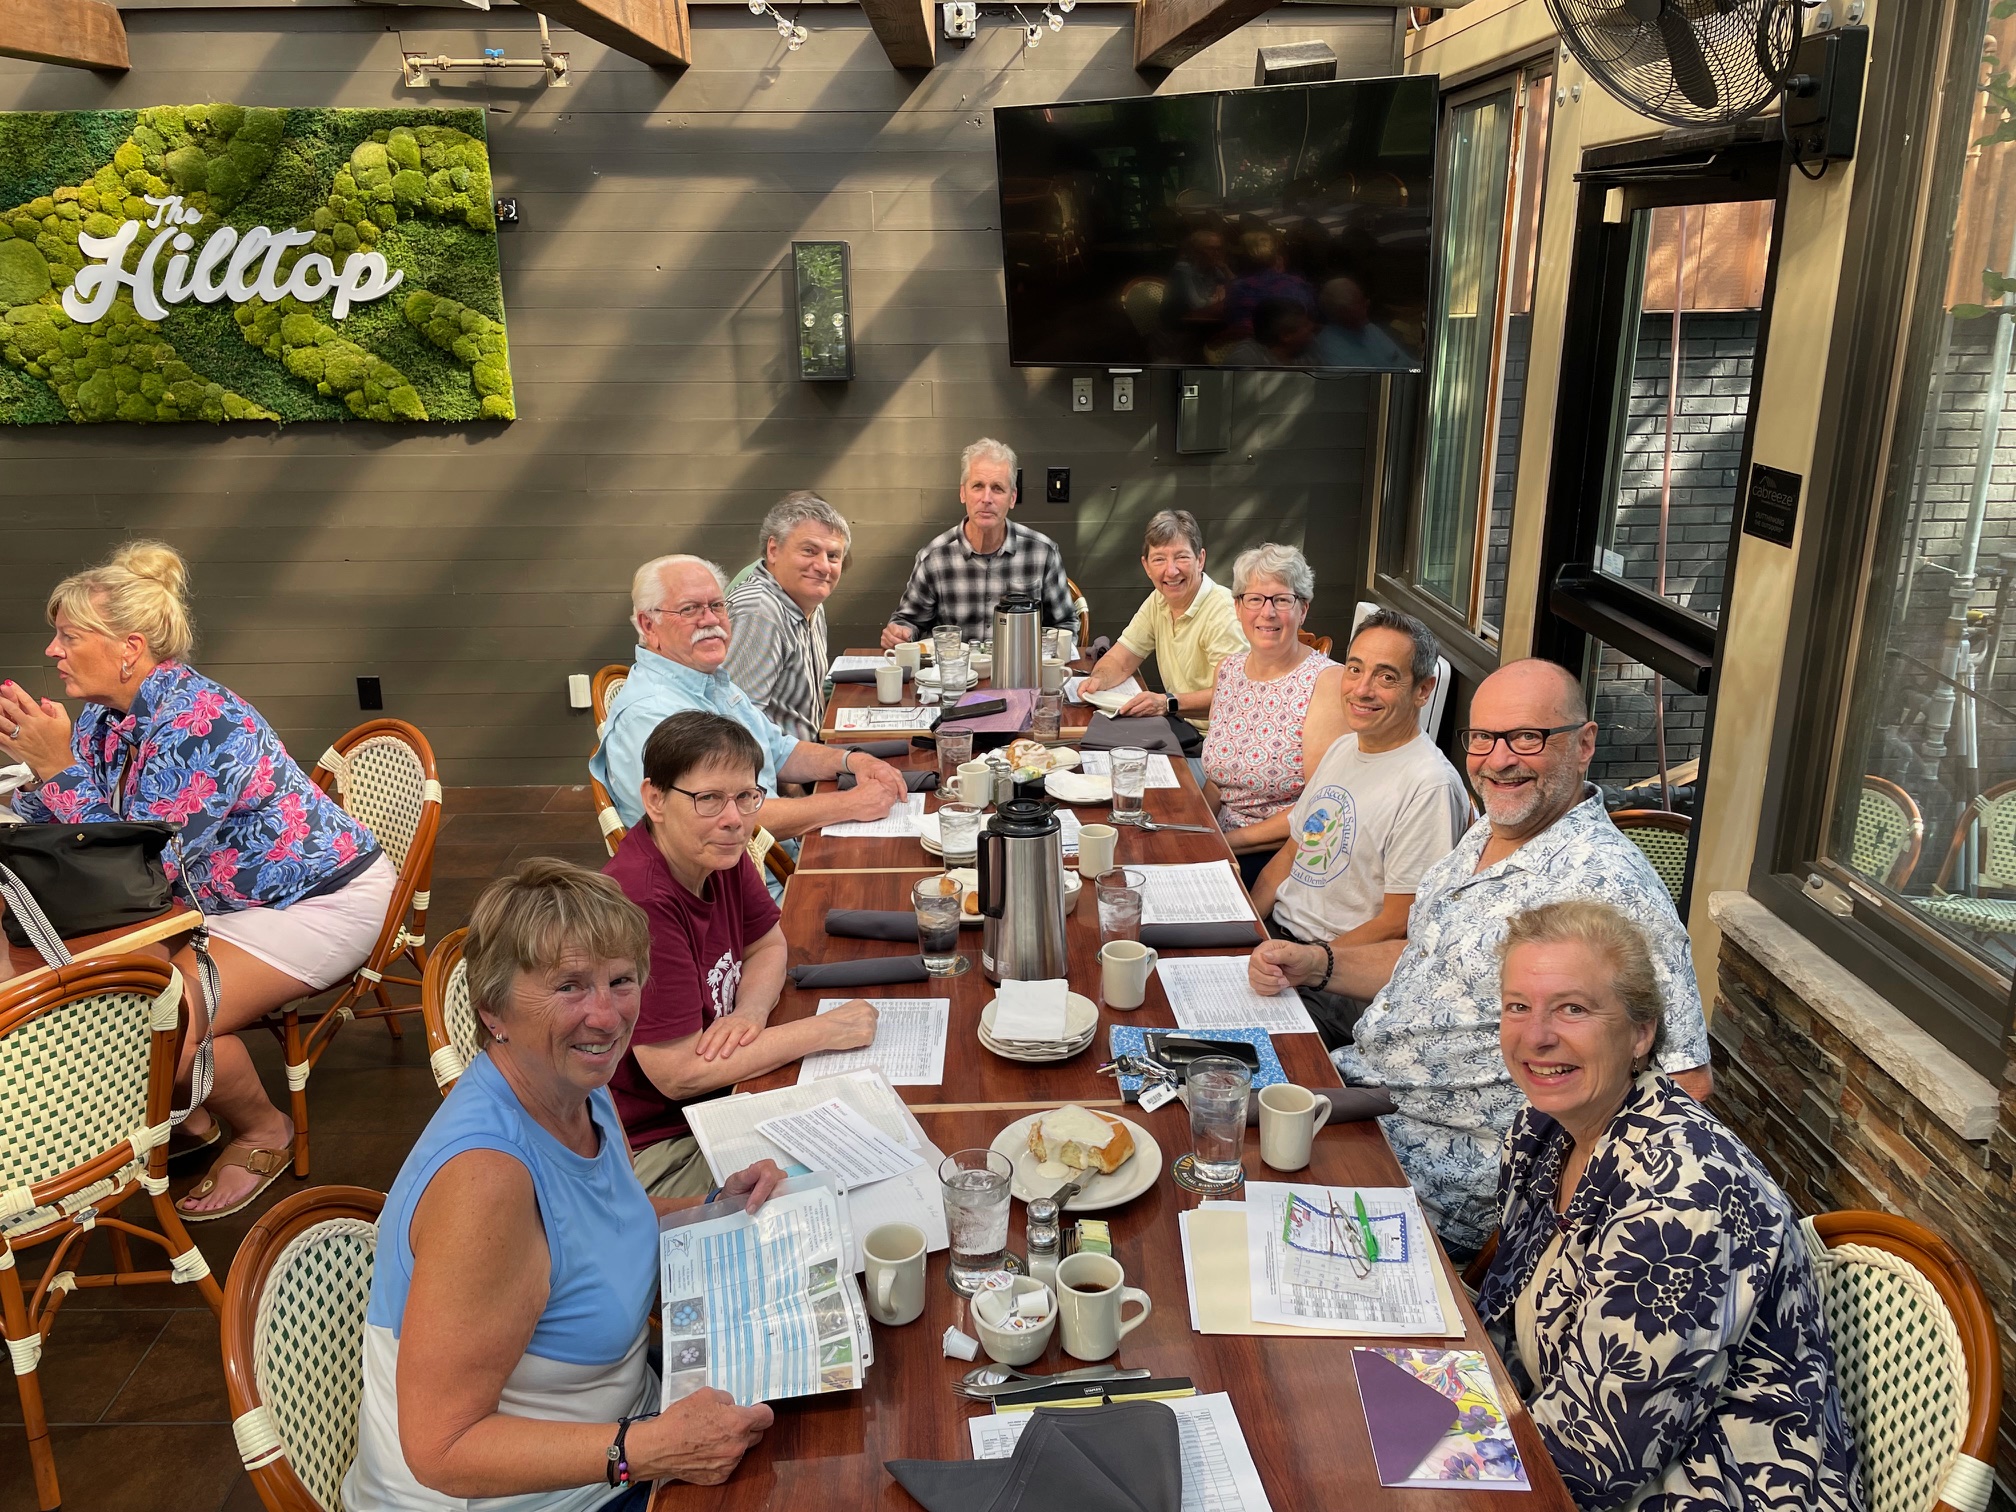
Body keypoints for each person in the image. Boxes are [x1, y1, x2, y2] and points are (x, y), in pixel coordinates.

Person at [345, 858, 784, 1511]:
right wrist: (656, 1449)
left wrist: (711, 1207)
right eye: (570, 987)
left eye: (621, 980)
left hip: (622, 1423)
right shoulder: (486, 1184)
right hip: (536, 1495)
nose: (606, 1017)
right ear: (493, 1007)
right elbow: (442, 1449)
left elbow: (592, 1224)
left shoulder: (577, 1084)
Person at [1255, 657, 1713, 1257]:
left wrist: (1549, 1223)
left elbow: (1687, 1083)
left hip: (1431, 1175)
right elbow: (1432, 961)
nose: (1499, 760)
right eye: (1483, 738)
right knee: (1186, 1098)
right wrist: (1318, 964)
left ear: (1583, 745)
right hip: (1356, 1088)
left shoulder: (1608, 887)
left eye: (1527, 737)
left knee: (1225, 1205)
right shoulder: (1493, 829)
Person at [0, 541, 394, 1222]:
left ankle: (262, 1128)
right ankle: (188, 1122)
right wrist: (42, 781)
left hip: (315, 900)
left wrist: (56, 771)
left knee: (150, 1021)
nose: (51, 652)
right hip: (209, 901)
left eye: (67, 635)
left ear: (129, 647)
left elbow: (142, 868)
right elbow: (99, 828)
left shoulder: (201, 724)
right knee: (47, 973)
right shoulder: (102, 717)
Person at [1477, 901, 1864, 1512]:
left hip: (1707, 1489)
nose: (1537, 1035)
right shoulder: (1543, 1132)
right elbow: (1503, 1324)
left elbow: (1598, 1461)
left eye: (1573, 1008)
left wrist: (1435, 1450)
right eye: (1517, 1006)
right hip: (1564, 1456)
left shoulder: (1681, 1197)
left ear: (1640, 1032)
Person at [604, 712, 879, 1196]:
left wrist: (751, 1012)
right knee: (848, 1168)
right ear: (655, 799)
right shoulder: (640, 901)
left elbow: (768, 943)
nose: (734, 818)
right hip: (659, 1144)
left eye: (747, 797)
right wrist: (822, 1031)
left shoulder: (714, 850)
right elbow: (679, 1073)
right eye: (708, 798)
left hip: (721, 1092)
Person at [1247, 609, 1468, 1046]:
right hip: (1282, 944)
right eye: (1355, 669)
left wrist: (1309, 961)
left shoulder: (1428, 786)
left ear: (1424, 689)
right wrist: (1246, 929)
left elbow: (1398, 923)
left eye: (1386, 677)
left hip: (1337, 980)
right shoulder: (1345, 748)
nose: (1362, 690)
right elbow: (1291, 854)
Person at [591, 555, 906, 836]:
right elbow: (727, 820)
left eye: (716, 605)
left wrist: (852, 760)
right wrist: (851, 803)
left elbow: (779, 750)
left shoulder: (707, 679)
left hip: (772, 857)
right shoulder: (654, 713)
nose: (711, 620)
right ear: (649, 625)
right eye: (690, 609)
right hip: (732, 888)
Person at [1199, 544, 1346, 886]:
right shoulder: (1229, 670)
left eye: (1282, 600)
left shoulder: (1326, 683)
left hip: (1286, 856)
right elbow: (1218, 779)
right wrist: (1196, 830)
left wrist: (1221, 844)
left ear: (1303, 609)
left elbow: (1320, 809)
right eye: (1254, 599)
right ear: (1237, 607)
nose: (1267, 613)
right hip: (1222, 840)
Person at [880, 437, 1076, 648]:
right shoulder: (935, 557)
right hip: (954, 674)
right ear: (963, 493)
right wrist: (901, 633)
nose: (986, 498)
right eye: (978, 486)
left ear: (1012, 497)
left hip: (1022, 675)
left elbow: (1065, 625)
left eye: (998, 488)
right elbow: (908, 621)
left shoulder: (1042, 553)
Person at [1077, 509, 1246, 732]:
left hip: (1218, 741)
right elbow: (1122, 659)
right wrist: (1098, 681)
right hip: (1182, 729)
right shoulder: (1159, 599)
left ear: (1200, 559)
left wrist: (1167, 703)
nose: (1171, 571)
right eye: (1159, 559)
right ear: (1146, 566)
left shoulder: (1223, 612)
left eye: (1181, 557)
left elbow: (1231, 696)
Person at [723, 492, 851, 744]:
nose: (824, 566)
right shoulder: (759, 611)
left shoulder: (808, 600)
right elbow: (739, 731)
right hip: (778, 777)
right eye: (809, 551)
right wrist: (797, 785)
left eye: (833, 556)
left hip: (808, 758)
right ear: (773, 550)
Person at [1308, 276, 1412, 370]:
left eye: (1363, 300)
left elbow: (1409, 364)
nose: (1367, 303)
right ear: (1341, 314)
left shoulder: (1370, 328)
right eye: (1360, 304)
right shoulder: (1328, 348)